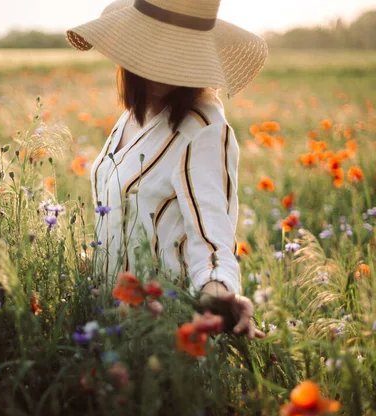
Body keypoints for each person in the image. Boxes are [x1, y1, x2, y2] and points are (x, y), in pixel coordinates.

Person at [66, 0, 267, 340]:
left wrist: (220, 297)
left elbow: (213, 238)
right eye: (156, 47)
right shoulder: (132, 115)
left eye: (179, 52)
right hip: (107, 319)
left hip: (163, 332)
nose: (164, 67)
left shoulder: (203, 128)